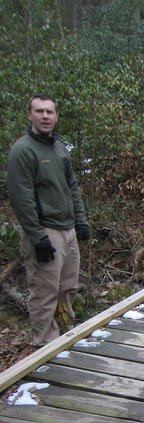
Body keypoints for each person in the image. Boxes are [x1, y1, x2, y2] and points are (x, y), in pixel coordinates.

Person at [6, 94, 90, 347]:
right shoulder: (23, 150)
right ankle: (43, 348)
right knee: (44, 293)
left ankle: (65, 336)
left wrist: (81, 220)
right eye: (40, 111)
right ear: (29, 115)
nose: (45, 116)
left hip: (68, 229)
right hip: (45, 230)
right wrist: (38, 237)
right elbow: (22, 198)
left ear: (56, 116)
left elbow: (71, 185)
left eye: (50, 112)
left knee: (68, 288)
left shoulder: (58, 147)